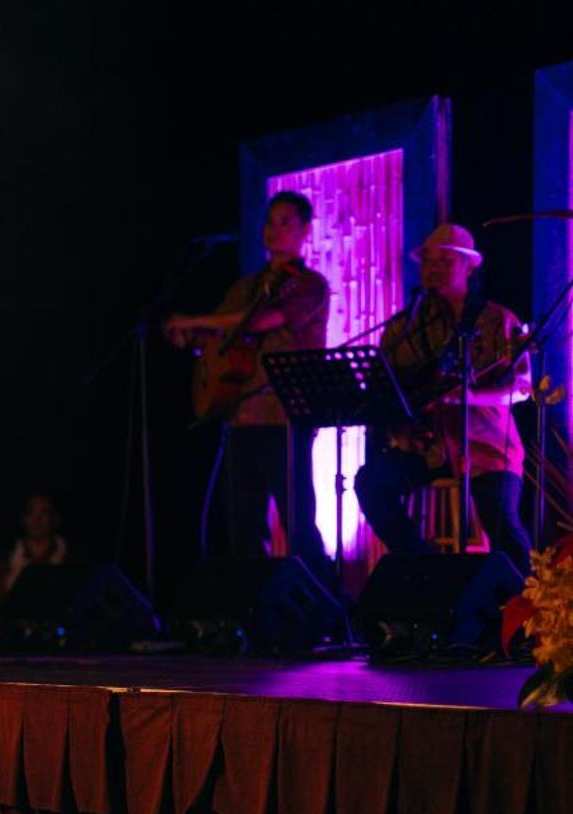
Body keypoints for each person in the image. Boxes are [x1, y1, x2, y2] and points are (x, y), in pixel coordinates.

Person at [164, 190, 333, 584]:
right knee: (243, 522)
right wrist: (188, 338)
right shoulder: (245, 287)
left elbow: (256, 322)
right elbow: (220, 336)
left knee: (297, 521)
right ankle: (258, 609)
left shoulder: (309, 285)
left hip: (286, 414)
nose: (274, 230)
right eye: (270, 222)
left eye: (285, 222)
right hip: (241, 415)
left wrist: (192, 322)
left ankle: (329, 607)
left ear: (306, 231)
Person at [355, 223, 534, 567]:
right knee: (372, 482)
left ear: (469, 267)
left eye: (444, 260)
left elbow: (521, 388)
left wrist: (464, 398)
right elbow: (384, 388)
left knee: (502, 523)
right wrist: (398, 422)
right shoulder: (402, 327)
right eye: (428, 262)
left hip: (487, 445)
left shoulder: (497, 319)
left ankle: (528, 603)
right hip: (428, 448)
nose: (433, 268)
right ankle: (425, 568)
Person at [0, 493, 69, 608]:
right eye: (30, 512)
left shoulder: (70, 561)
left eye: (44, 512)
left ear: (55, 519)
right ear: (23, 519)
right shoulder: (4, 562)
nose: (37, 519)